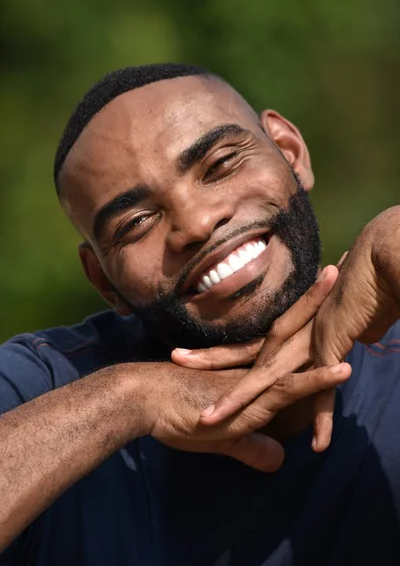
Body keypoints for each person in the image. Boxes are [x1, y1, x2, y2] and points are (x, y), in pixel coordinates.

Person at [0, 63, 399, 566]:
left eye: (221, 164)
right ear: (104, 282)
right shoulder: (45, 384)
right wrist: (130, 399)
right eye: (137, 222)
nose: (197, 222)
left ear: (291, 154)